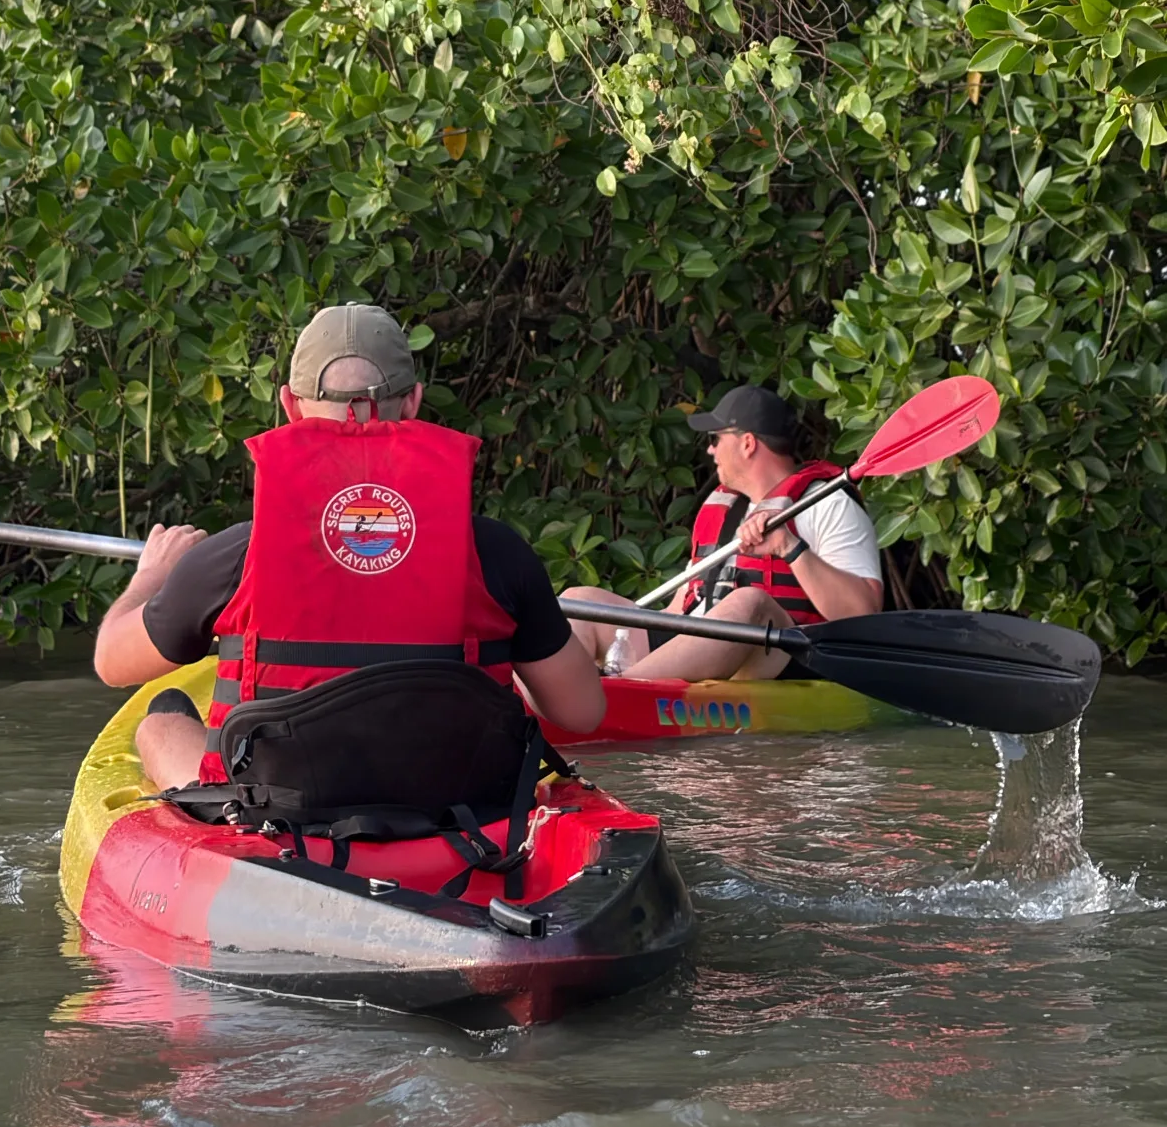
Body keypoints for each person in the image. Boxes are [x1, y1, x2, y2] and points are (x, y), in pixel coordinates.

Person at [95, 303, 606, 792]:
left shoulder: (232, 558)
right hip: (460, 809)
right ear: (412, 402)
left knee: (162, 716)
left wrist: (152, 576)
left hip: (279, 809)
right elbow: (583, 713)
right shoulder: (498, 553)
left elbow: (111, 664)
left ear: (289, 406)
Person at [562, 384, 883, 684]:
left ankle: (618, 694)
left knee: (749, 602)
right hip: (701, 654)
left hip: (788, 656)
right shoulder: (721, 510)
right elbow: (678, 612)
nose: (710, 451)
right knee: (579, 602)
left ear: (747, 443)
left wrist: (789, 545)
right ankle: (561, 698)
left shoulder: (828, 504)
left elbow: (862, 614)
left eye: (716, 439)